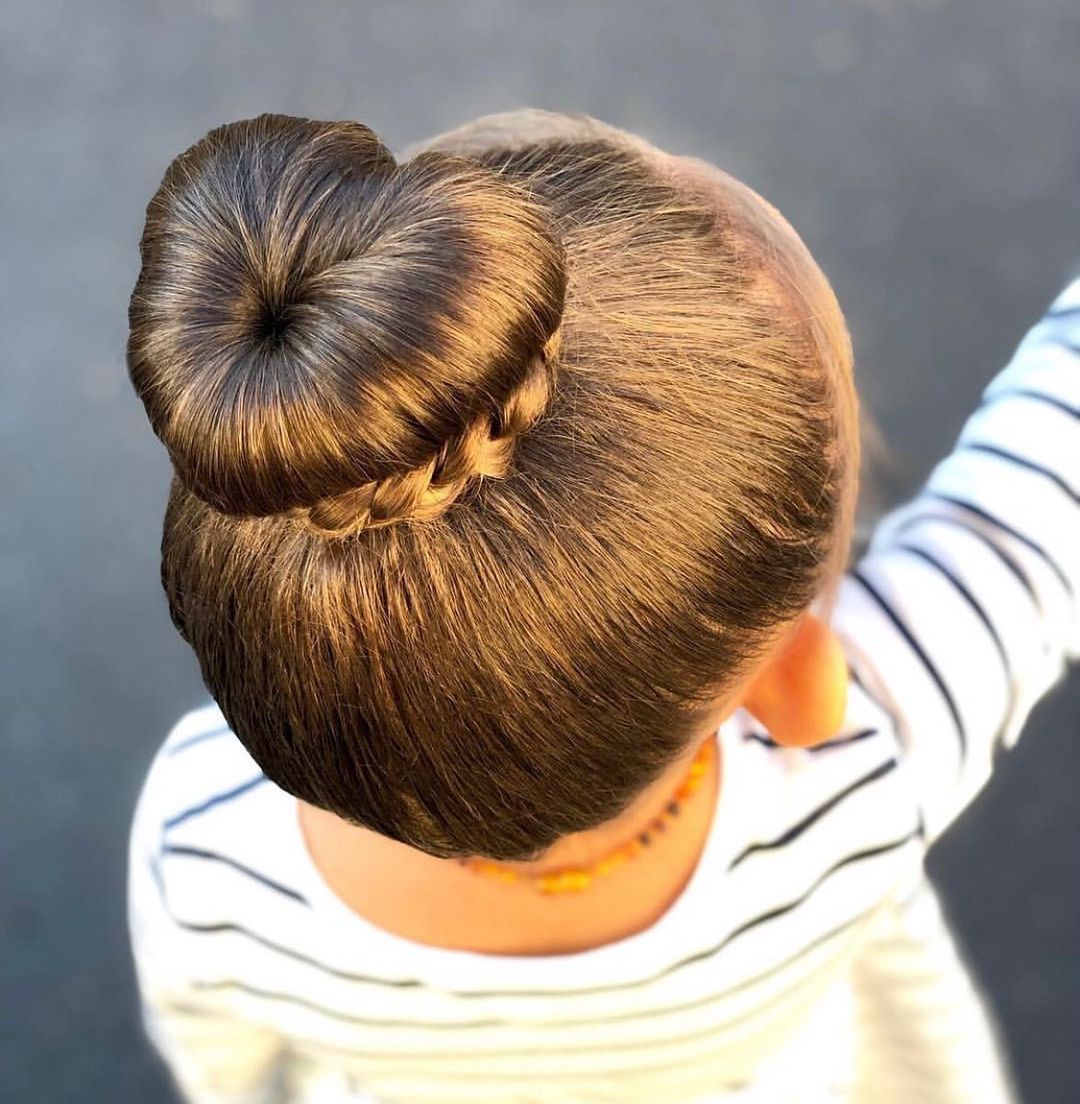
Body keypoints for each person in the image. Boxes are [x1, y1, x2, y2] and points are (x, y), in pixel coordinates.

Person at [125, 108, 1077, 1104]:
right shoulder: (864, 765)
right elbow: (1044, 499)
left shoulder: (206, 839)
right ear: (799, 686)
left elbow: (216, 1053)